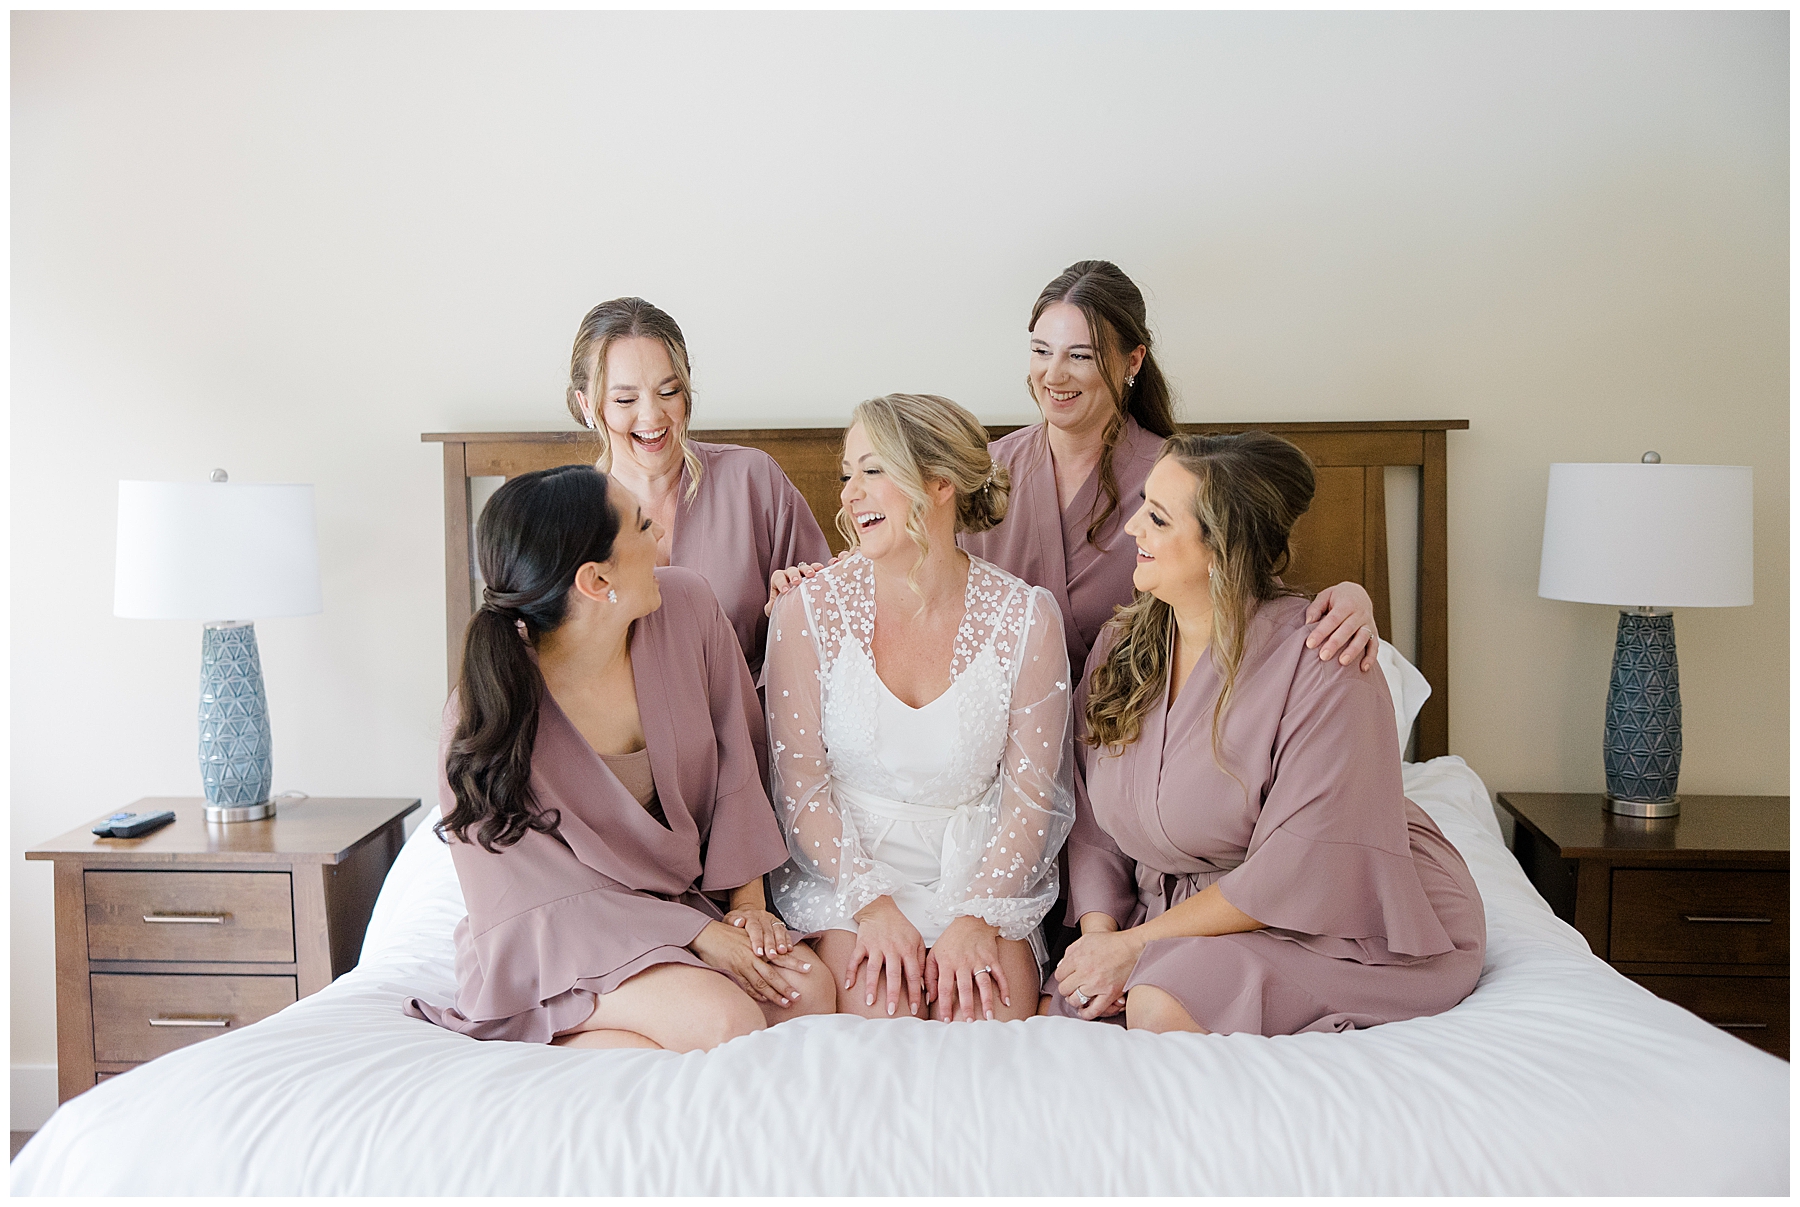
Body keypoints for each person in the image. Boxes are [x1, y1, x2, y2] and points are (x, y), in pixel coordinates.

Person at [1044, 432, 1484, 1034]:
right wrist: (1100, 938)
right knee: (1062, 1013)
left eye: (1158, 518)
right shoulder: (1122, 649)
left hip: (1329, 924)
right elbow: (1091, 819)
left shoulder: (1327, 662)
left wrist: (1134, 948)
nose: (1131, 530)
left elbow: (1302, 867)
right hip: (1163, 918)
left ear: (1221, 549)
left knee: (1161, 1000)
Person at [405, 464, 834, 1051]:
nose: (659, 530)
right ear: (594, 579)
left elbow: (741, 758)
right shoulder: (486, 715)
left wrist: (746, 909)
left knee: (804, 991)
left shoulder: (688, 607)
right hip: (565, 941)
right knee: (722, 1021)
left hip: (684, 905)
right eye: (639, 525)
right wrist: (700, 934)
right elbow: (531, 903)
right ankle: (552, 1036)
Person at [764, 394, 1076, 1024]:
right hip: (850, 873)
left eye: (873, 471)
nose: (850, 494)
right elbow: (799, 786)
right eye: (847, 474)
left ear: (940, 483)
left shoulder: (1027, 619)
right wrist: (872, 906)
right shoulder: (807, 611)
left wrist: (976, 916)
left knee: (988, 1022)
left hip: (983, 873)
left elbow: (1031, 799)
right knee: (876, 1012)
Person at [959, 259, 1382, 676]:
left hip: (1124, 731)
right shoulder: (982, 473)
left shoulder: (1175, 479)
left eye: (1080, 356)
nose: (1054, 374)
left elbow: (1244, 593)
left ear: (1134, 361)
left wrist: (1350, 597)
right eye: (1041, 351)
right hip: (1002, 730)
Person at [567, 297, 831, 681]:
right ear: (588, 405)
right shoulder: (564, 519)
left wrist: (790, 609)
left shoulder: (752, 480)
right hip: (627, 740)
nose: (652, 416)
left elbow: (829, 627)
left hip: (757, 729)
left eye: (669, 392)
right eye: (625, 399)